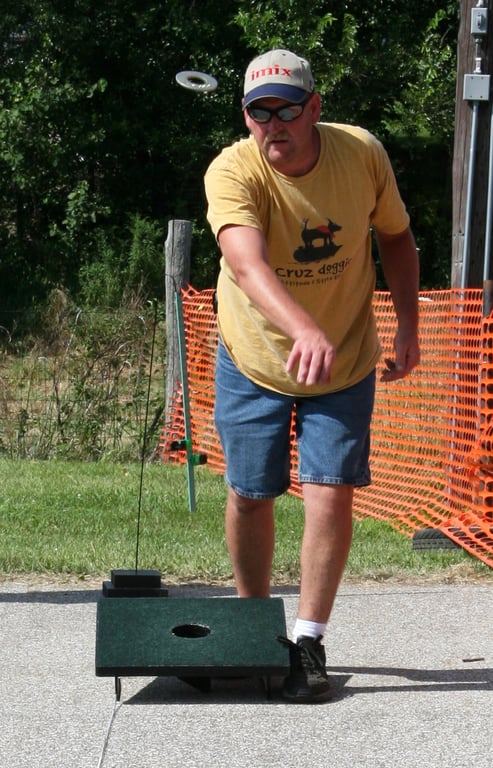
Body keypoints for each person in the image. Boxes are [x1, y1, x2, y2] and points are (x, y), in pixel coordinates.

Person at [204, 49, 420, 703]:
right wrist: (300, 327)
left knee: (329, 490)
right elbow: (246, 265)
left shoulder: (360, 155)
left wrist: (407, 327)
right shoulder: (231, 171)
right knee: (250, 494)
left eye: (286, 108)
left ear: (313, 109)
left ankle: (308, 641)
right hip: (255, 358)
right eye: (257, 110)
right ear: (245, 116)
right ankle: (251, 625)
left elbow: (397, 239)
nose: (272, 122)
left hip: (344, 357)